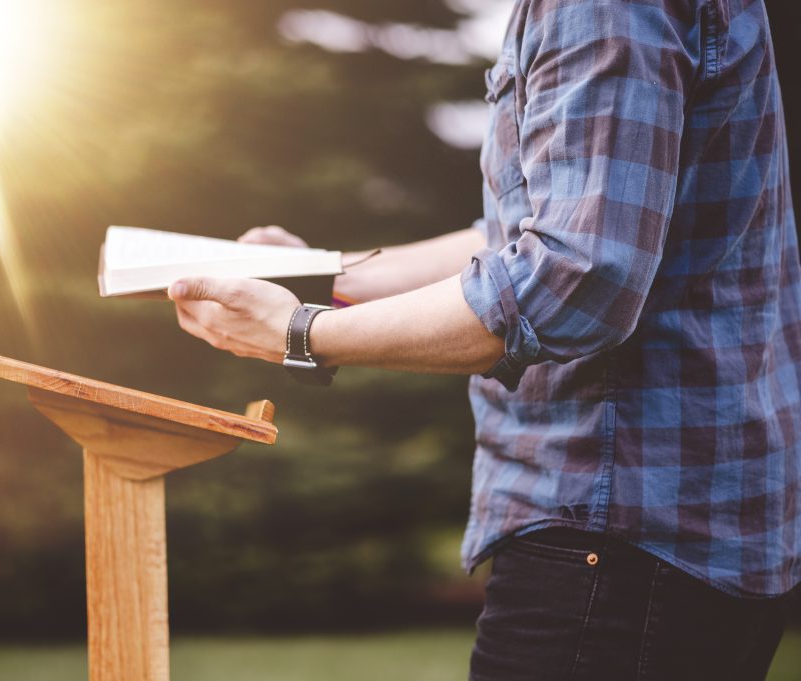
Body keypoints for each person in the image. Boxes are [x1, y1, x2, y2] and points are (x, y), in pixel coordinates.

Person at [166, 0, 800, 678]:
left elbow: (574, 279)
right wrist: (324, 274)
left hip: (620, 526)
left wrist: (301, 331)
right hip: (663, 523)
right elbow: (516, 233)